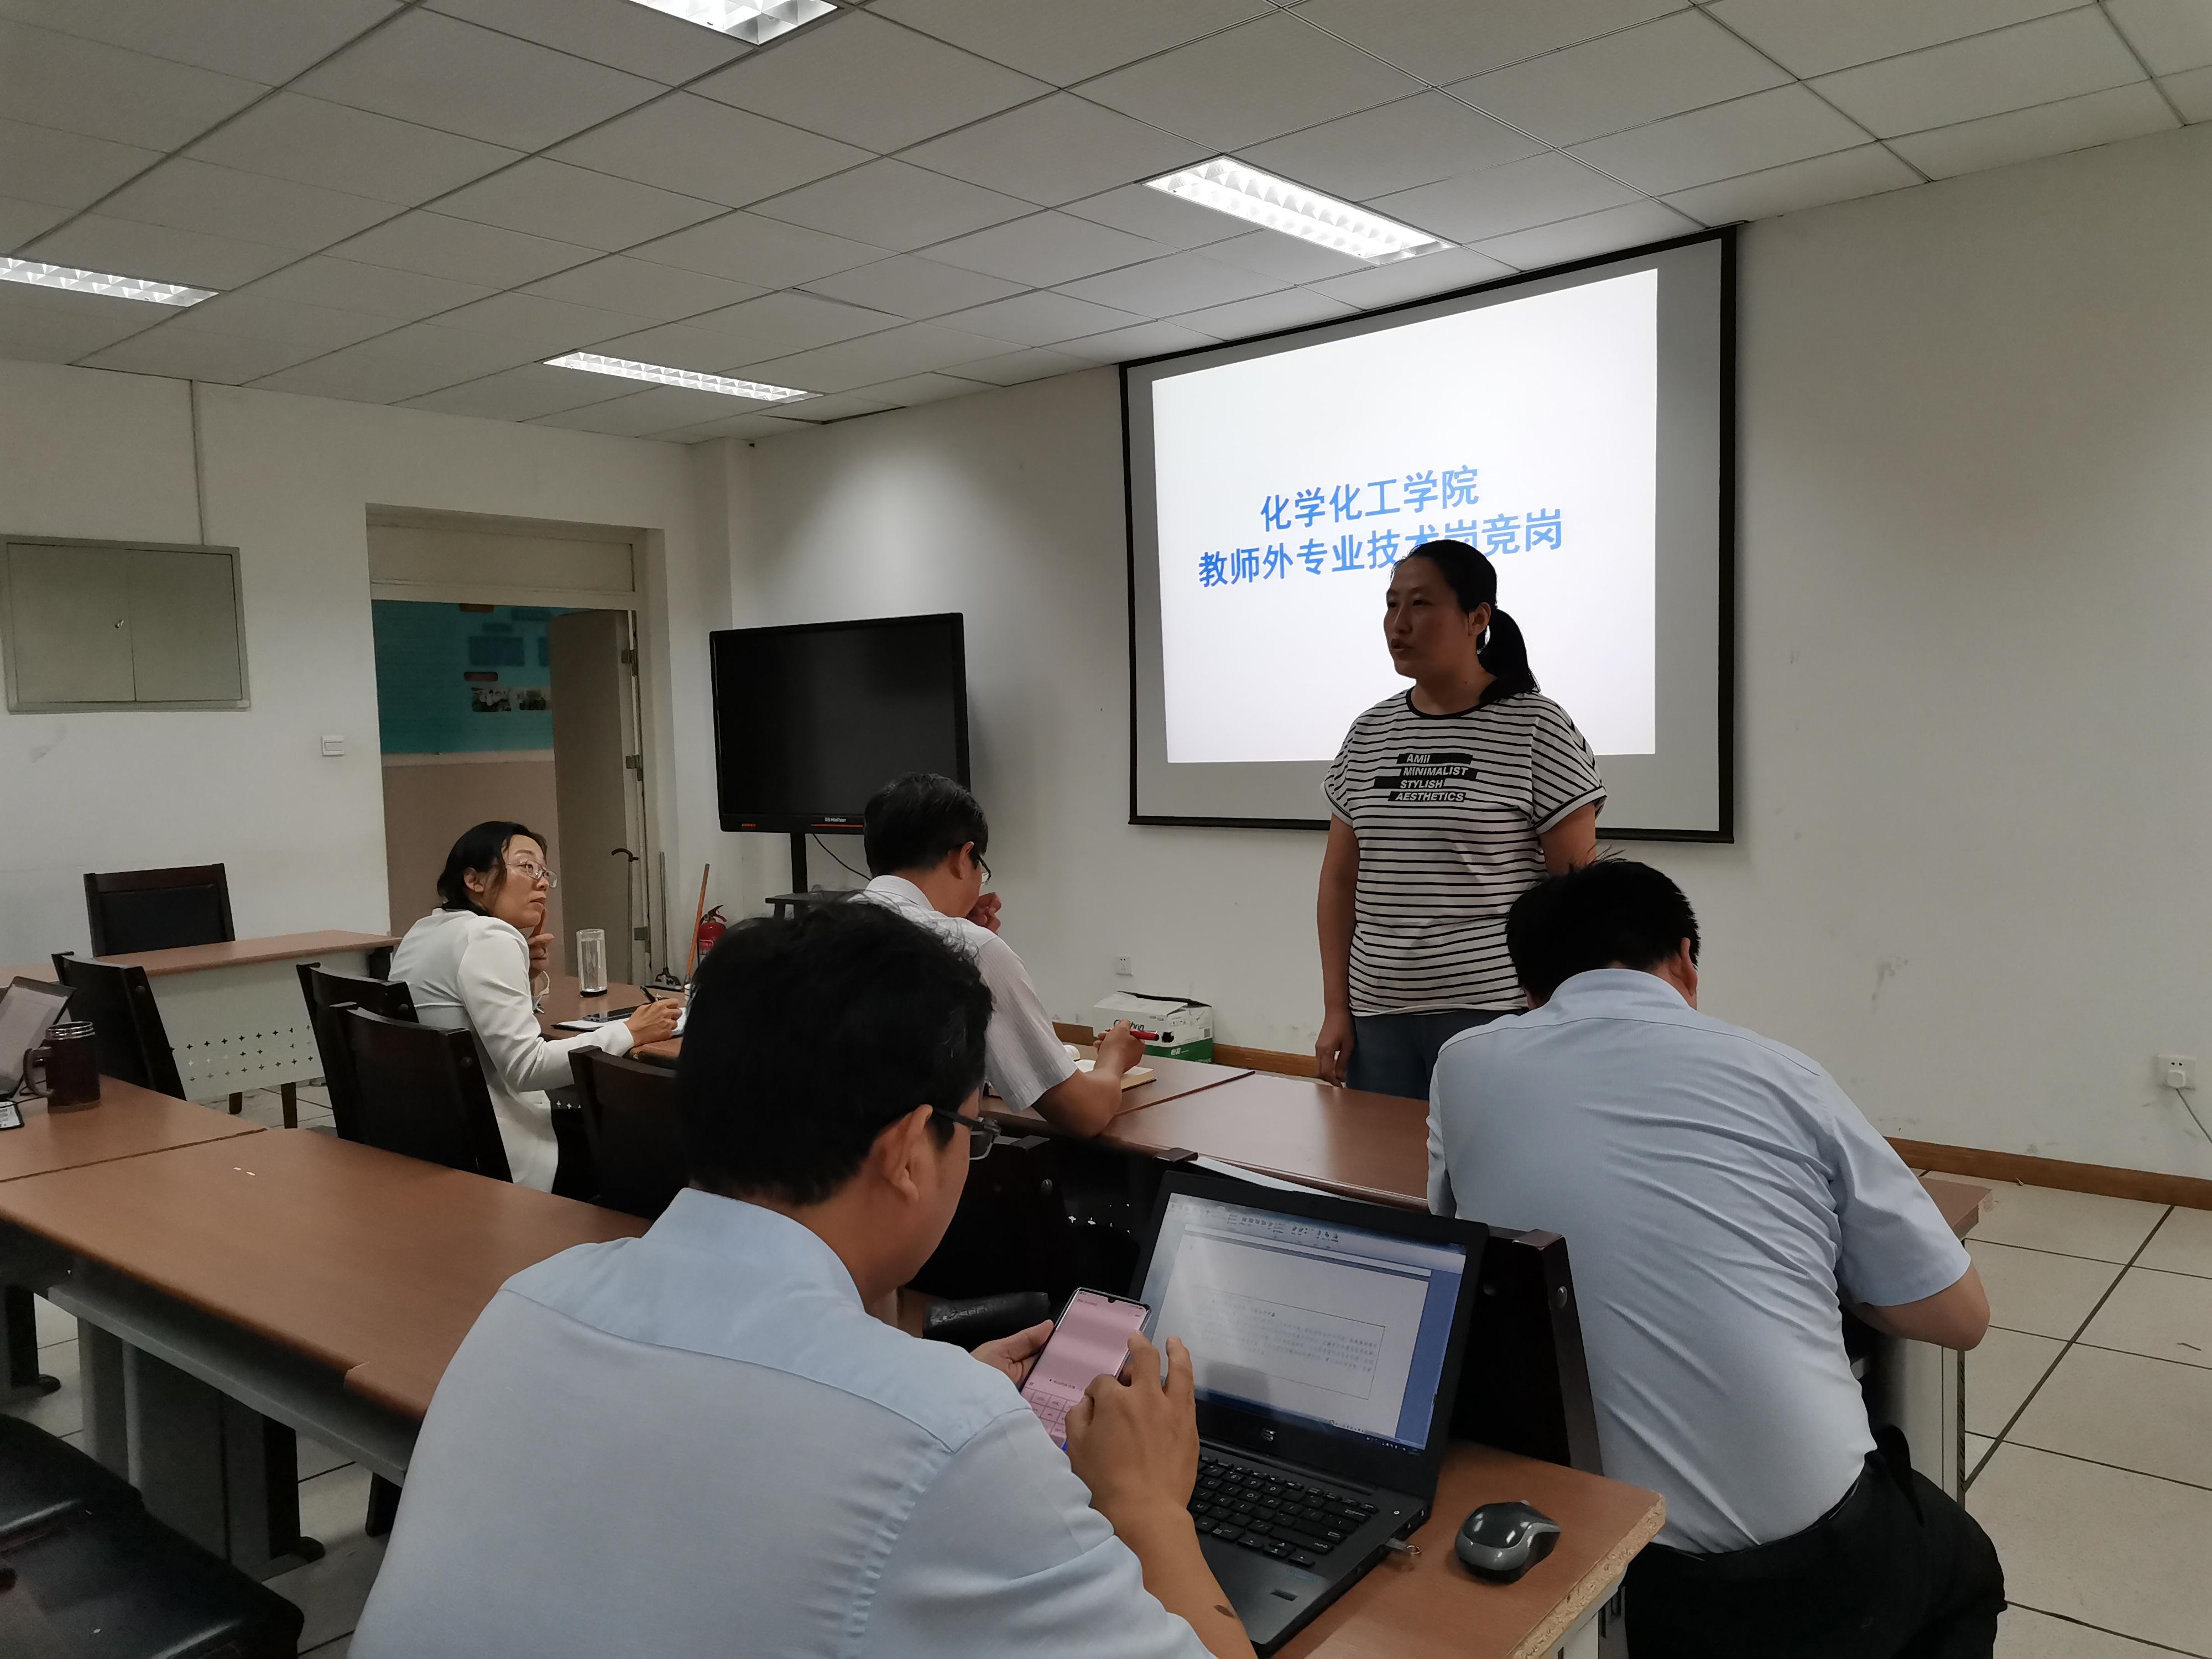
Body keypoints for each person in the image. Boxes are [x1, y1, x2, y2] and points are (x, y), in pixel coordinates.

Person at [352, 902, 1254, 1659]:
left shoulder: (525, 1305)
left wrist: (926, 1395)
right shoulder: (949, 1439)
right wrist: (1145, 1505)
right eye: (972, 1133)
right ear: (910, 1150)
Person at [1428, 860, 2002, 1659]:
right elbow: (1959, 1315)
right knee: (1965, 1569)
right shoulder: (1784, 1074)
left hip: (1593, 1567)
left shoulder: (1462, 1065)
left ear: (1530, 990)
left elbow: (1460, 1242)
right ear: (1685, 961)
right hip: (1801, 1570)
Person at [1314, 540, 1604, 1100]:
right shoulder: (1370, 732)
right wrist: (1336, 1008)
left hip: (1498, 1010)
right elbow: (1339, 881)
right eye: (1391, 604)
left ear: (1478, 618)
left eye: (1421, 604)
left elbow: (1577, 894)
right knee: (1380, 1157)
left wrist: (1565, 1014)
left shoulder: (1535, 727)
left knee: (1492, 1156)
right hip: (1378, 1010)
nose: (1399, 623)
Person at [388, 821, 679, 1192]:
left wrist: (525, 976)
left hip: (437, 1140)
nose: (542, 883)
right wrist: (629, 1031)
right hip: (502, 1154)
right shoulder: (489, 937)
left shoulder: (425, 930)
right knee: (657, 1142)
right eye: (527, 867)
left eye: (544, 872)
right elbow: (527, 1068)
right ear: (474, 880)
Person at [857, 773, 1144, 1135]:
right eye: (982, 867)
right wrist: (1114, 1056)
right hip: (913, 1163)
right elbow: (1083, 1113)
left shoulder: (822, 928)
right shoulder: (972, 951)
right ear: (963, 857)